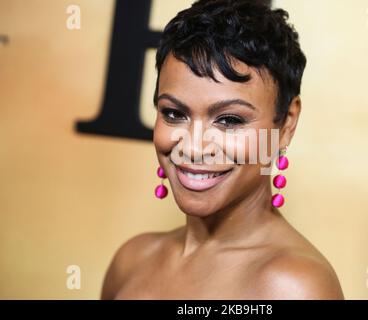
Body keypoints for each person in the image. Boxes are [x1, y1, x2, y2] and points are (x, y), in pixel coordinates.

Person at [101, 0, 344, 299]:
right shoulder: (132, 259)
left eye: (229, 119)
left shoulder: (293, 287)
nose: (193, 146)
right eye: (174, 113)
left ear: (287, 124)